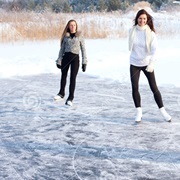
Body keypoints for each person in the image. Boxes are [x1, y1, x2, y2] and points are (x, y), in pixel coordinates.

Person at [128, 9, 171, 122]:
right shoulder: (131, 31)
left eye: (144, 19)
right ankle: (139, 112)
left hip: (147, 64)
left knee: (154, 88)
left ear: (147, 20)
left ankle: (163, 112)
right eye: (140, 18)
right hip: (134, 63)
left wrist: (152, 63)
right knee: (135, 88)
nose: (142, 20)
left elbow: (155, 50)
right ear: (137, 18)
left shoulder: (151, 34)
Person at [54, 19, 87, 106]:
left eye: (74, 25)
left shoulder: (80, 36)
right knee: (63, 76)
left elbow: (83, 49)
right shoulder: (66, 36)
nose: (72, 27)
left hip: (75, 59)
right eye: (71, 25)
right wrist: (59, 60)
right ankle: (61, 93)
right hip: (66, 58)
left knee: (73, 78)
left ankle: (70, 98)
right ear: (68, 26)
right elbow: (62, 50)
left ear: (76, 26)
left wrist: (84, 62)